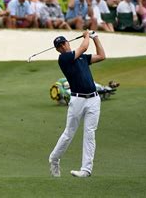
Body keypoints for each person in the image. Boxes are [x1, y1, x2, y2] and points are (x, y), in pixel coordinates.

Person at [49, 30, 106, 178]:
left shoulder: (82, 58)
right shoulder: (64, 59)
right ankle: (54, 159)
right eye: (59, 46)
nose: (62, 47)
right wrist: (87, 35)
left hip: (93, 99)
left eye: (64, 43)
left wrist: (95, 37)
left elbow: (101, 56)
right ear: (57, 49)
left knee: (90, 133)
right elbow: (84, 48)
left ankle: (86, 170)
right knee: (69, 133)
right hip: (77, 100)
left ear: (68, 43)